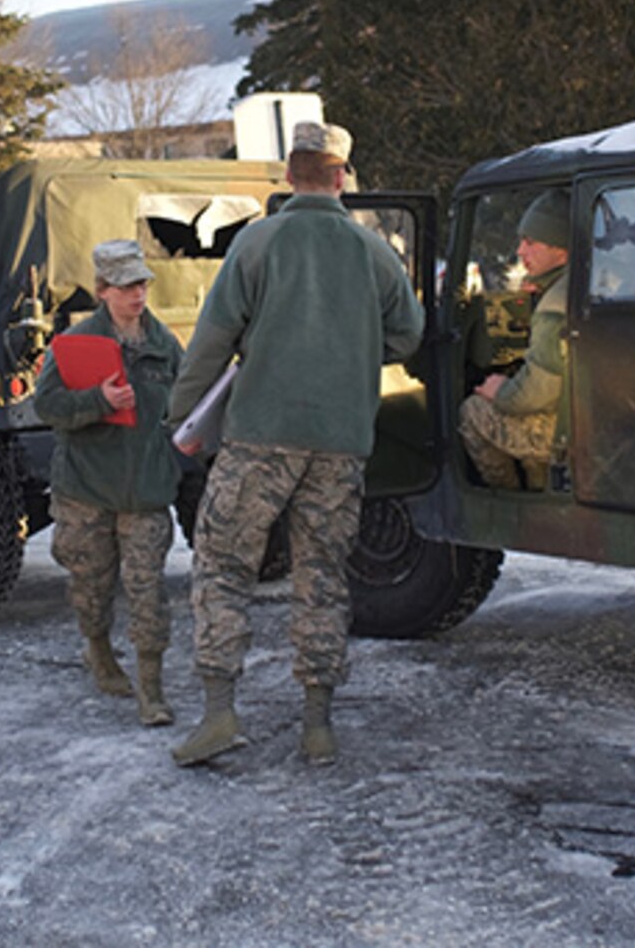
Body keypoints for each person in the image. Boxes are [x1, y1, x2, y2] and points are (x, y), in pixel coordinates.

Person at [167, 121, 424, 766]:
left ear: (289, 173)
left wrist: (183, 419)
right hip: (340, 443)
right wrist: (354, 349)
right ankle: (317, 728)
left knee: (223, 567)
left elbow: (211, 341)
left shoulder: (258, 244)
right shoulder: (374, 252)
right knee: (323, 578)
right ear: (342, 176)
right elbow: (409, 336)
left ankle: (220, 715)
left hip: (259, 440)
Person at [32, 238, 186, 727]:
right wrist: (97, 400)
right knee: (92, 588)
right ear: (102, 291)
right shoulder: (77, 346)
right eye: (124, 287)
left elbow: (185, 408)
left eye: (141, 284)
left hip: (145, 492)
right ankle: (98, 650)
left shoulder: (164, 347)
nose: (136, 295)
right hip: (87, 490)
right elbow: (48, 407)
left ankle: (152, 688)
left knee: (148, 591)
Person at [457, 189, 569, 491]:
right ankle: (540, 495)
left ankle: (506, 508)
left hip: (571, 432)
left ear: (562, 250)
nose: (520, 251)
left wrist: (500, 391)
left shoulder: (555, 306)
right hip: (605, 422)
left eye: (531, 242)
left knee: (473, 412)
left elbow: (532, 396)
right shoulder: (587, 282)